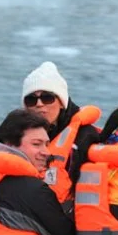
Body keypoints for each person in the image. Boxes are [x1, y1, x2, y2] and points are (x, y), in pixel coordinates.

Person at [20, 61, 101, 203]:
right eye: (31, 99)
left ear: (61, 102)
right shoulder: (17, 136)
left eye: (47, 97)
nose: (39, 104)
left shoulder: (86, 137)